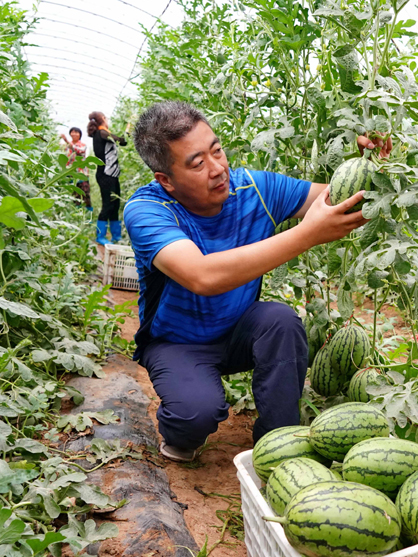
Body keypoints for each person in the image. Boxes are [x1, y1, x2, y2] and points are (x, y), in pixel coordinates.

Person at [124, 101, 391, 462]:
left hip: (240, 332)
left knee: (281, 320)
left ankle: (279, 443)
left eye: (217, 150)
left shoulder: (255, 188)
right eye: (198, 163)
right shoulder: (146, 210)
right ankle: (181, 430)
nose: (218, 168)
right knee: (193, 416)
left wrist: (370, 167)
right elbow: (202, 275)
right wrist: (307, 235)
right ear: (166, 180)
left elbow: (337, 200)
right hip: (177, 344)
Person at [87, 111, 127, 245]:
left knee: (115, 204)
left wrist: (124, 137)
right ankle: (100, 236)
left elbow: (122, 143)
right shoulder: (101, 133)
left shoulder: (104, 134)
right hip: (105, 175)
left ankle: (116, 236)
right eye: (106, 118)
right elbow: (120, 140)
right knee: (107, 205)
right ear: (103, 119)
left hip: (113, 175)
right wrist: (126, 132)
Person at [60, 127, 92, 212]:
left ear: (80, 135)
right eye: (72, 132)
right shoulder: (66, 146)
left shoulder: (82, 145)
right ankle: (76, 213)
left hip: (82, 173)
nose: (74, 134)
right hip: (71, 173)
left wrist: (66, 141)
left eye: (76, 132)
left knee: (85, 194)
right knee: (74, 195)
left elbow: (79, 151)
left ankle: (88, 214)